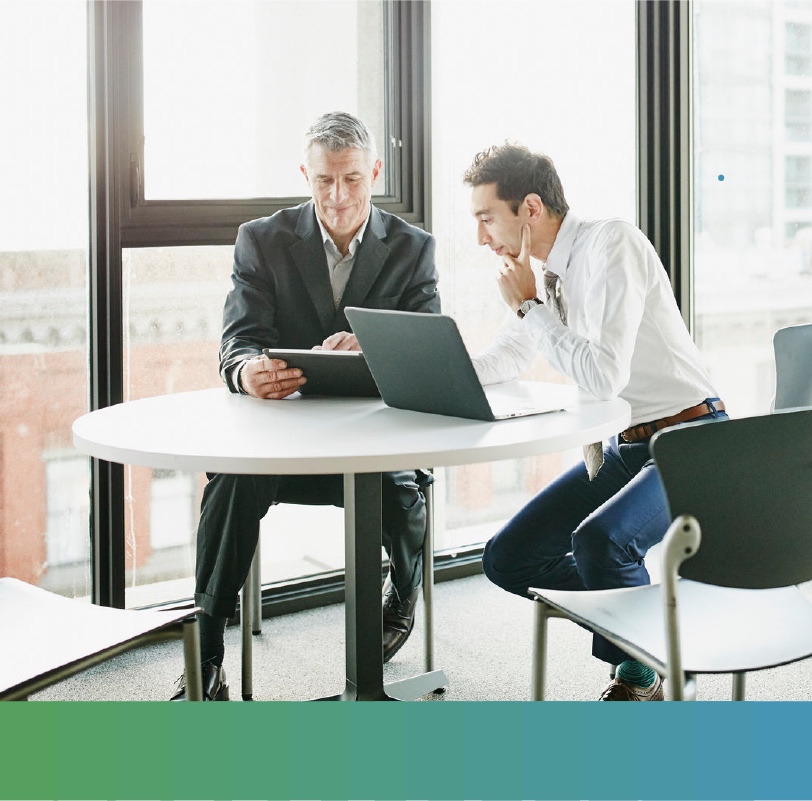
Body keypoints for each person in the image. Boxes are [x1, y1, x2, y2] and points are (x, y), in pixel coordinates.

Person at [172, 112, 440, 701]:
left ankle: (402, 595)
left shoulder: (413, 248)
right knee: (231, 482)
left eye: (351, 179)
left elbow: (428, 350)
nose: (337, 196)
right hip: (284, 449)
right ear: (305, 175)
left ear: (375, 172)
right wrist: (247, 372)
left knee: (402, 489)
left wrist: (373, 347)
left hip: (373, 446)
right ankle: (206, 651)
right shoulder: (262, 239)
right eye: (324, 181)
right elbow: (238, 340)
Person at [463, 143, 727, 701]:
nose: (481, 238)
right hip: (625, 446)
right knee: (508, 559)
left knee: (600, 544)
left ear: (530, 208)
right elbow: (508, 356)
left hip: (693, 439)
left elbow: (604, 376)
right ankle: (652, 621)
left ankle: (640, 669)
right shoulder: (544, 276)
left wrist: (528, 308)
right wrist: (434, 368)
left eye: (487, 218)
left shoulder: (612, 245)